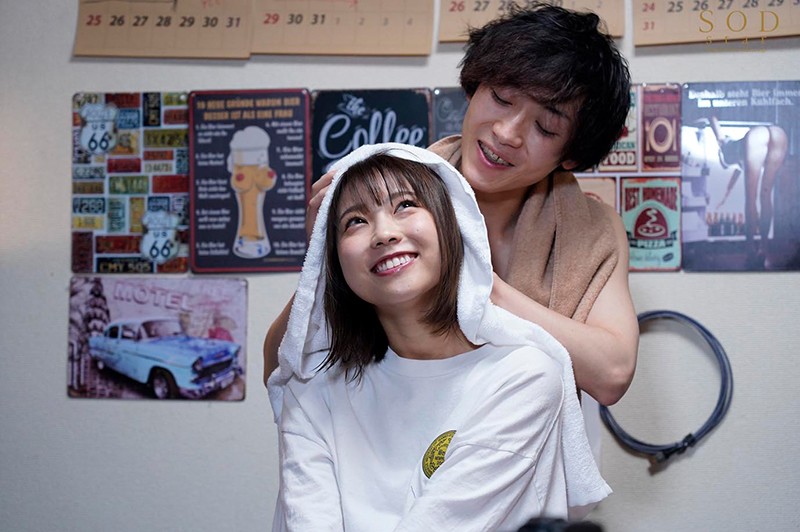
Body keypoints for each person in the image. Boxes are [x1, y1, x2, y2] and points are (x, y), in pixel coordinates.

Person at [265, 3, 638, 407]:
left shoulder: (593, 229)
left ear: (572, 153)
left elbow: (612, 374)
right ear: (474, 87)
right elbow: (279, 369)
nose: (507, 132)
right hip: (397, 429)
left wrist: (478, 283)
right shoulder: (391, 196)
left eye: (545, 127)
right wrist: (324, 261)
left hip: (529, 438)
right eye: (501, 98)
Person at [269, 144, 610, 531]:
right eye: (355, 221)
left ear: (452, 226)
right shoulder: (312, 390)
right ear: (331, 260)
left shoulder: (523, 377)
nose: (384, 234)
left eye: (405, 205)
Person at [708, 115, 789, 266]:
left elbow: (718, 132)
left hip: (756, 138)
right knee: (766, 196)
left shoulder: (725, 146)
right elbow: (735, 175)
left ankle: (750, 249)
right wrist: (724, 196)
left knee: (751, 199)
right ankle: (763, 248)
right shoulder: (738, 158)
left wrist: (709, 117)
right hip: (778, 133)